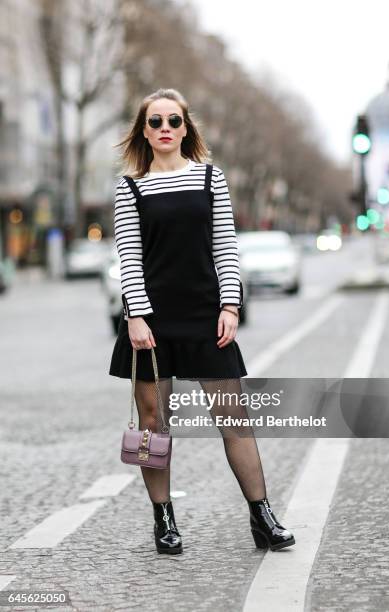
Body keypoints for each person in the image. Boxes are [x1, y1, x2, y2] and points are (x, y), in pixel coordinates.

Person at [109, 88, 295, 554]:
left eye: (174, 120)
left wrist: (230, 306)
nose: (165, 127)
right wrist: (136, 315)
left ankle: (262, 515)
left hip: (205, 314)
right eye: (155, 122)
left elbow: (226, 247)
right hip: (150, 320)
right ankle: (164, 520)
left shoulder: (212, 178)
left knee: (233, 418)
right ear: (144, 132)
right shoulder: (131, 185)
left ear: (186, 127)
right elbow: (129, 257)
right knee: (154, 421)